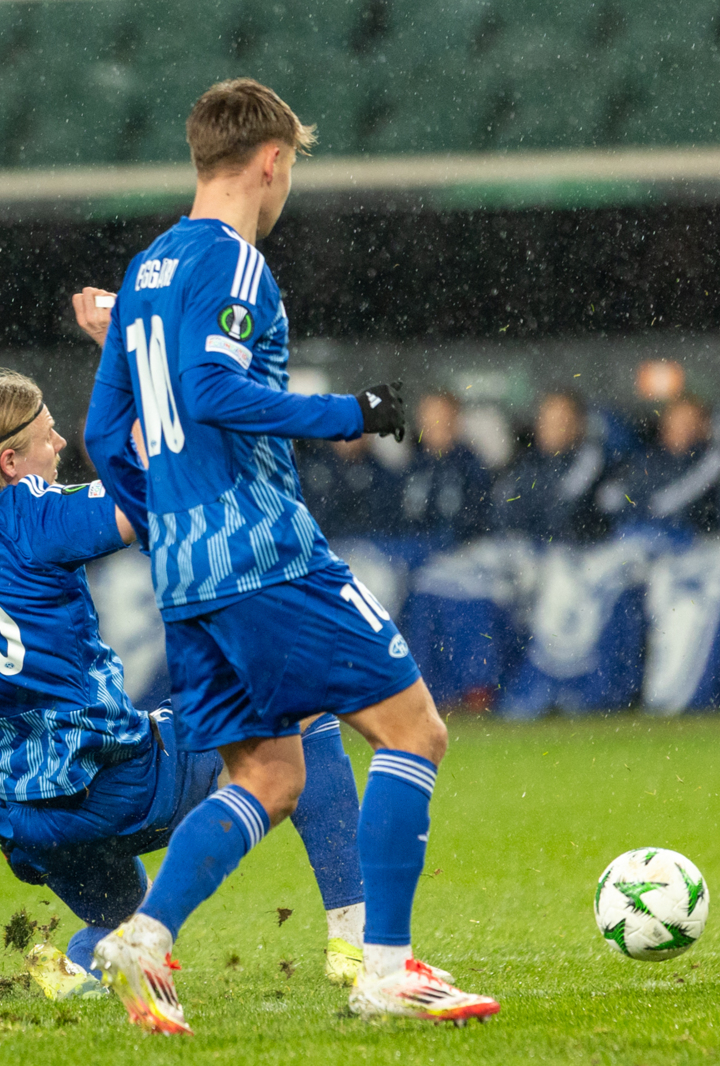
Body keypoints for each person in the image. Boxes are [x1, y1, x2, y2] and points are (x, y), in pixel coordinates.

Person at [79, 78, 498, 1031]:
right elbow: (216, 391)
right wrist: (353, 414)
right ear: (272, 160)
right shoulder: (234, 262)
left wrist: (171, 517)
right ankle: (385, 969)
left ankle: (144, 938)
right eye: (290, 166)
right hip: (265, 556)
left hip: (183, 575)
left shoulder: (146, 271)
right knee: (414, 730)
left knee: (269, 777)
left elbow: (107, 433)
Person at [0, 370, 370, 997]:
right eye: (46, 434)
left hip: (23, 819)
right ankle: (356, 937)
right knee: (301, 711)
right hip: (117, 785)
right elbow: (152, 503)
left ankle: (82, 967)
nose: (60, 443)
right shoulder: (42, 514)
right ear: (10, 461)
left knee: (122, 915)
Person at [597, 395, 720, 544]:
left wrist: (643, 507)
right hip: (633, 539)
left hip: (683, 544)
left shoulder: (710, 463)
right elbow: (609, 499)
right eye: (679, 421)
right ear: (666, 422)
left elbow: (664, 505)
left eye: (690, 422)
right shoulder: (645, 459)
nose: (684, 429)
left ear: (702, 427)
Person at [492, 390, 609, 544]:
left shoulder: (592, 462)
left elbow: (565, 514)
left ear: (578, 425)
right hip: (525, 553)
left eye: (563, 421)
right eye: (549, 421)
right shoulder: (525, 464)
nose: (554, 428)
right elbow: (502, 517)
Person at [402, 390, 491, 551]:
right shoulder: (411, 467)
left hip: (460, 556)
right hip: (411, 556)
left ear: (454, 419)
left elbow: (478, 523)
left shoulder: (471, 466)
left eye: (441, 418)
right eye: (428, 418)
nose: (434, 424)